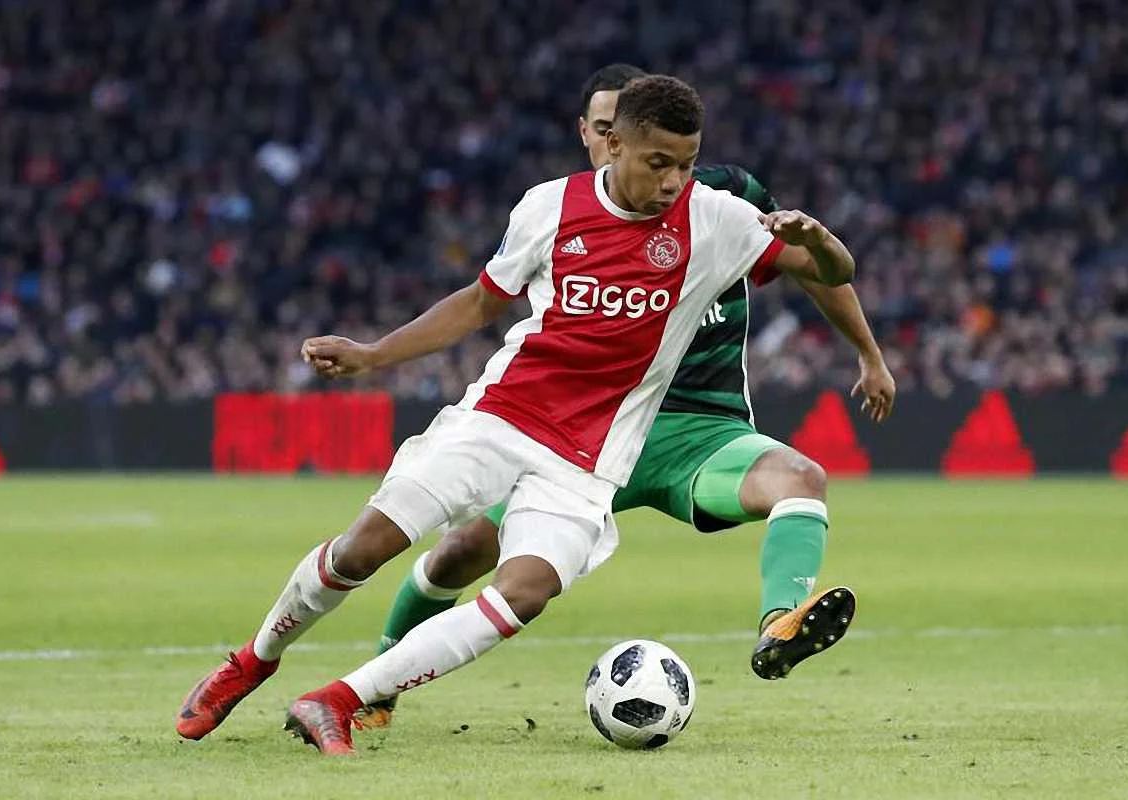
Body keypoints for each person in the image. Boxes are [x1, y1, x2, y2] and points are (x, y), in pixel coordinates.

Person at [175, 74, 857, 755]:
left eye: (687, 163)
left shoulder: (716, 219)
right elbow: (479, 303)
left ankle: (339, 700)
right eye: (659, 163)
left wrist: (820, 240)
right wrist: (374, 354)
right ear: (613, 144)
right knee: (365, 547)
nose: (675, 181)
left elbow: (833, 271)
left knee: (524, 592)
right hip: (501, 419)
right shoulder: (550, 206)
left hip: (589, 460)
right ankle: (253, 661)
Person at [356, 64, 894, 729]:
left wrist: (869, 353)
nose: (623, 148)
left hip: (696, 430)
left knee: (800, 479)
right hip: (575, 433)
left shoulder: (721, 203)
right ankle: (377, 686)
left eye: (669, 158)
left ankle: (780, 623)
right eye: (602, 128)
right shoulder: (563, 213)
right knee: (461, 551)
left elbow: (813, 268)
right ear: (593, 137)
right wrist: (378, 354)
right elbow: (483, 303)